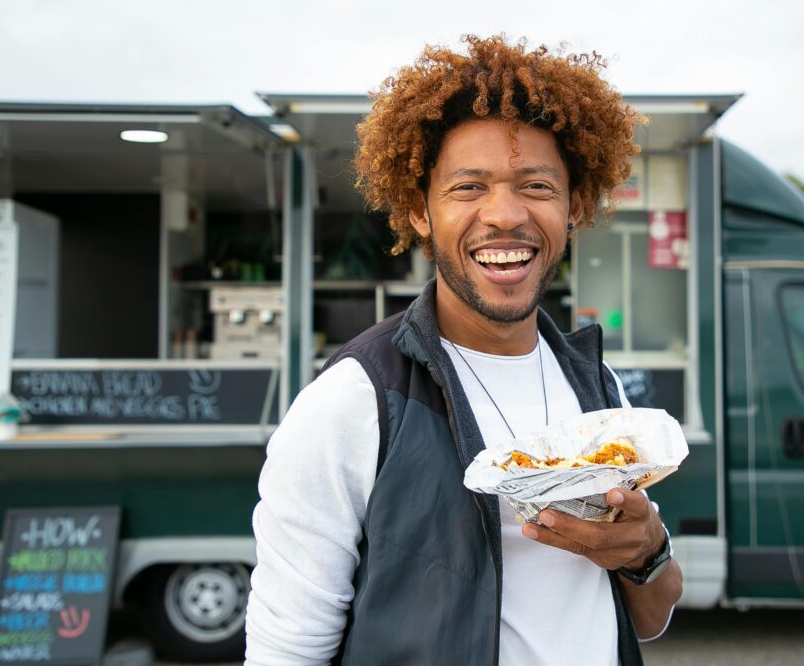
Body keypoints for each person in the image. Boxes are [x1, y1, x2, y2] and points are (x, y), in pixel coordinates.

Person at [244, 35, 682, 666]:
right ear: (420, 210)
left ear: (574, 206)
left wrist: (647, 551)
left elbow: (650, 620)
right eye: (467, 188)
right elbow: (286, 650)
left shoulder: (599, 389)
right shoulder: (355, 401)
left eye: (536, 185)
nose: (504, 215)